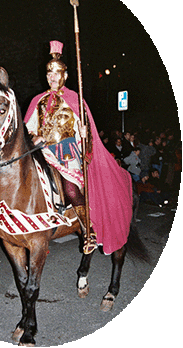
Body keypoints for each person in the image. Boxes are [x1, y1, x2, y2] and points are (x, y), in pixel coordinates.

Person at [24, 40, 133, 255]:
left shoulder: (75, 99)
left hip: (65, 153)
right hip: (41, 152)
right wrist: (34, 136)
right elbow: (28, 129)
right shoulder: (38, 100)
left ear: (64, 75)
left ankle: (87, 230)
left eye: (56, 73)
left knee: (70, 188)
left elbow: (88, 134)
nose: (52, 77)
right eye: (48, 73)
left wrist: (84, 135)